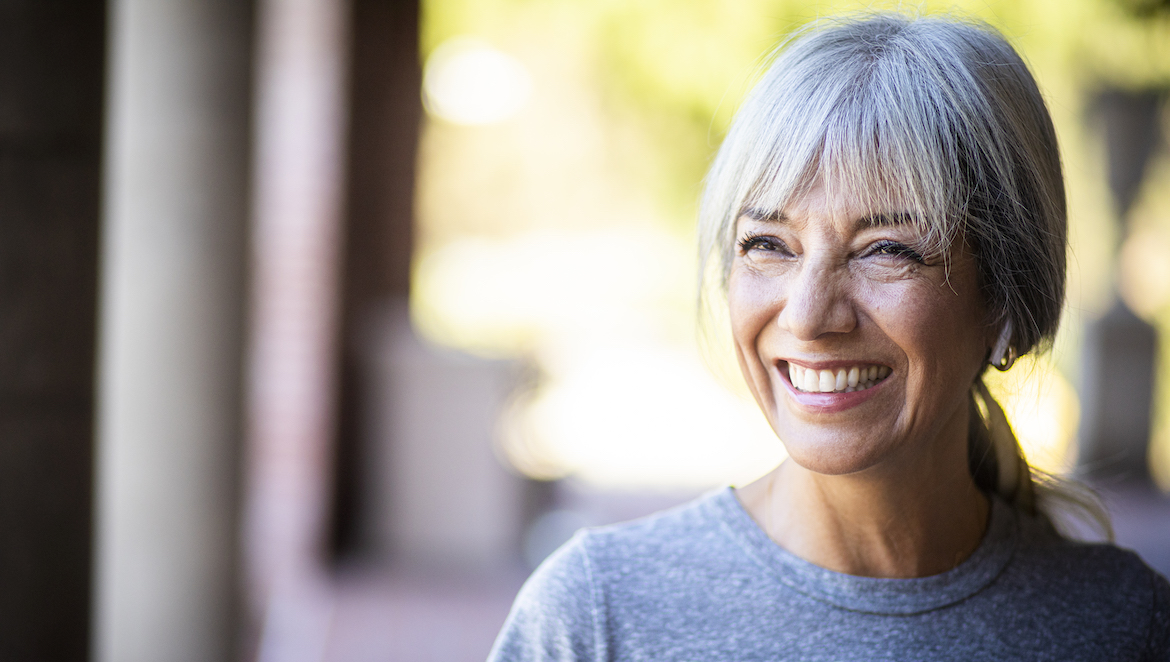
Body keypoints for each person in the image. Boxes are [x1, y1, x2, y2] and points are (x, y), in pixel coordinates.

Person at [487, 13, 1170, 661]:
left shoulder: (1124, 625)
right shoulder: (597, 617)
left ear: (1005, 301)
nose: (810, 316)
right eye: (768, 243)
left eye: (888, 250)